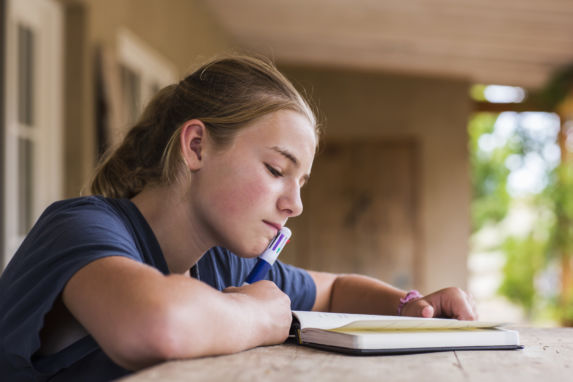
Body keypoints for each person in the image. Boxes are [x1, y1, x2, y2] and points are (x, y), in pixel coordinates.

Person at [0, 55, 477, 381]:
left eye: (301, 182)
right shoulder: (80, 228)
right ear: (196, 146)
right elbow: (156, 324)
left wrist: (409, 306)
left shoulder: (218, 264)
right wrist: (258, 315)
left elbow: (333, 290)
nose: (296, 204)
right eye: (276, 169)